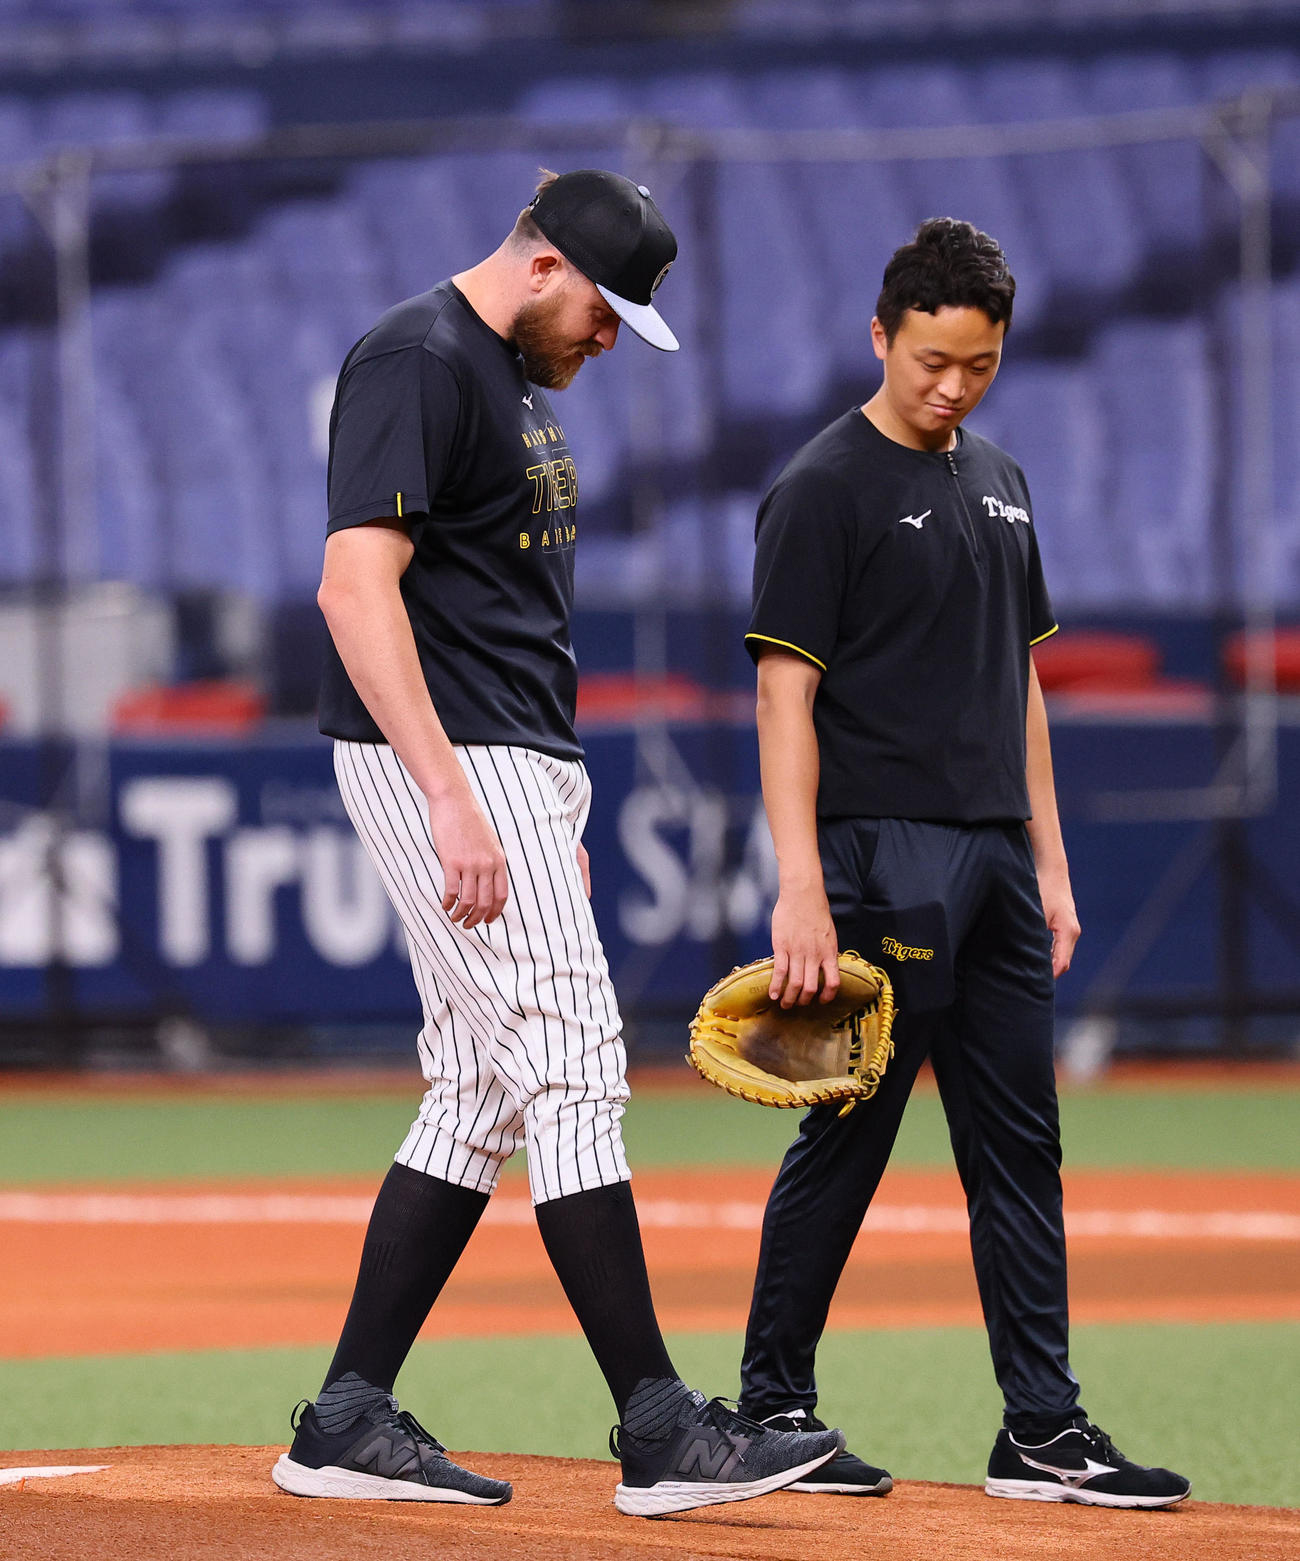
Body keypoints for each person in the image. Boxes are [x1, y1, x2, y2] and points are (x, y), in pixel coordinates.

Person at [269, 168, 841, 1518]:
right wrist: (455, 797)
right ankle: (658, 1428)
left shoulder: (506, 371)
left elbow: (494, 599)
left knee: (482, 1085)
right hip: (448, 758)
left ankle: (347, 1413)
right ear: (542, 265)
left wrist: (546, 796)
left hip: (511, 760)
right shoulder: (418, 356)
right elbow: (355, 592)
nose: (605, 338)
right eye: (603, 309)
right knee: (576, 1056)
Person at [735, 218, 1190, 1509]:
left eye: (978, 363)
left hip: (994, 857)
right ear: (881, 334)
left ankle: (1042, 1428)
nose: (953, 386)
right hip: (881, 856)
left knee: (1020, 1149)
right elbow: (784, 697)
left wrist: (1049, 859)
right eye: (933, 359)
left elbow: (1022, 678)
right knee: (848, 1133)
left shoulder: (1001, 474)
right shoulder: (822, 485)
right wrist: (802, 882)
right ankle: (775, 1405)